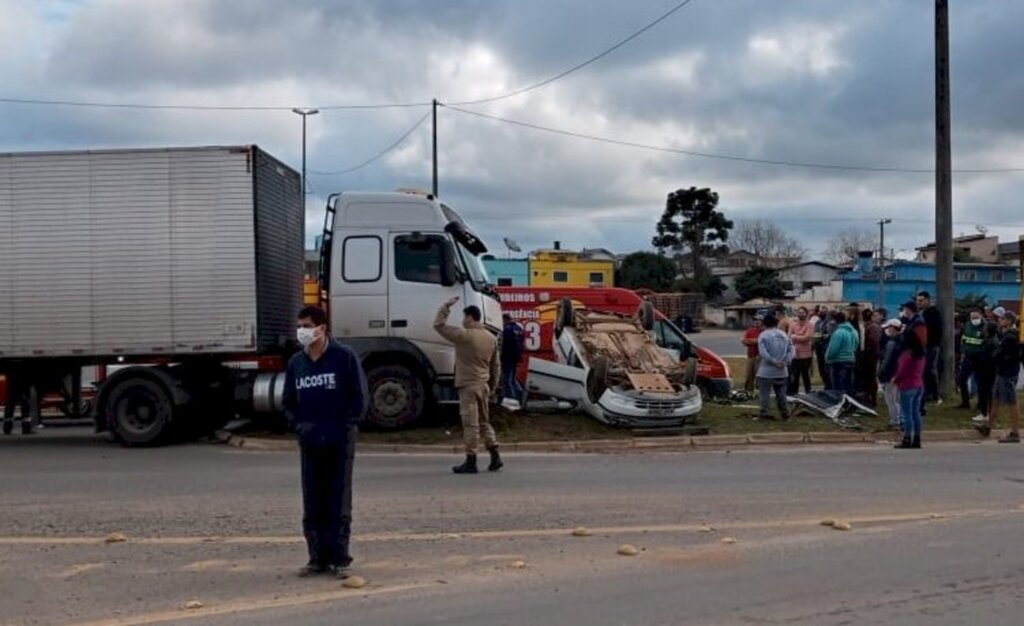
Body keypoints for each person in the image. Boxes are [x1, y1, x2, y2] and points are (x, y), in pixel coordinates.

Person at [283, 306, 368, 579]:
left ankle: (339, 559)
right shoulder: (297, 363)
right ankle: (316, 558)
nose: (302, 331)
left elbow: (359, 397)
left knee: (338, 500)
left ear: (322, 328)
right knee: (313, 501)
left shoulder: (343, 357)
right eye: (299, 326)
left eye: (307, 325)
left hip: (339, 440)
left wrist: (346, 427)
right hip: (310, 442)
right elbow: (288, 402)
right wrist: (300, 427)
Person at [434, 297, 502, 474]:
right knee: (485, 422)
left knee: (470, 424)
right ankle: (495, 455)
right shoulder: (491, 338)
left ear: (470, 317)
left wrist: (446, 306)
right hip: (484, 385)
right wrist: (493, 386)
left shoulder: (464, 335)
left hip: (468, 386)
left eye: (464, 317)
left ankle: (471, 460)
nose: (463, 321)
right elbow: (496, 366)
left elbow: (439, 325)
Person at [980, 311, 1021, 443]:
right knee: (996, 400)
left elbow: (1004, 354)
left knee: (1012, 403)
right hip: (1002, 372)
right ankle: (988, 426)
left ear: (1009, 321)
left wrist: (997, 355)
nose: (999, 321)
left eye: (1002, 319)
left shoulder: (1010, 337)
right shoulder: (1005, 335)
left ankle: (1015, 432)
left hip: (1007, 373)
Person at [893, 315, 927, 449]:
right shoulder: (921, 354)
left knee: (907, 414)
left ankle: (907, 438)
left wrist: (896, 380)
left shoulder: (907, 354)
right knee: (916, 412)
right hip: (919, 384)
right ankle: (917, 438)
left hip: (907, 385)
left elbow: (902, 371)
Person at [756, 314, 794, 420]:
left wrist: (774, 361)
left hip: (766, 371)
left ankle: (764, 413)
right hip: (782, 371)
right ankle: (785, 413)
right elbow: (791, 349)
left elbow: (763, 353)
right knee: (781, 394)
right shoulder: (784, 334)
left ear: (764, 323)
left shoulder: (763, 335)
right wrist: (786, 361)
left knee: (764, 394)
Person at [917, 291, 942, 403]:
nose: (919, 303)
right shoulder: (921, 313)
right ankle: (926, 393)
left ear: (927, 300)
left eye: (921, 300)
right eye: (918, 301)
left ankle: (934, 394)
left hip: (931, 345)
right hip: (922, 345)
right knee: (923, 370)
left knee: (930, 369)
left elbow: (936, 330)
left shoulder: (933, 313)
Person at [878, 319, 904, 430]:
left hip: (891, 376)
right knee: (896, 399)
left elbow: (886, 361)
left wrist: (880, 373)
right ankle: (899, 420)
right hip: (898, 375)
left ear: (893, 328)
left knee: (891, 400)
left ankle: (896, 421)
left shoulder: (892, 343)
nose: (886, 330)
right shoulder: (902, 342)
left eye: (888, 327)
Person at [959, 308, 986, 413]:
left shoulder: (985, 327)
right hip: (968, 356)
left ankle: (981, 404)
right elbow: (964, 339)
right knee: (962, 379)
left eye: (976, 317)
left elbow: (987, 343)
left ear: (981, 316)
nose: (974, 319)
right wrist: (963, 351)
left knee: (980, 382)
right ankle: (965, 402)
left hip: (980, 358)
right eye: (972, 317)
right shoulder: (967, 325)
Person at [826, 311, 858, 395]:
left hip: (839, 361)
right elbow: (856, 344)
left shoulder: (838, 333)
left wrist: (828, 357)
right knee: (849, 383)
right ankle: (849, 402)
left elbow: (834, 348)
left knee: (838, 385)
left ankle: (839, 402)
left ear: (836, 321)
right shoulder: (853, 331)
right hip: (851, 359)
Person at [500, 313, 525, 406]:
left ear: (505, 320)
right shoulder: (519, 329)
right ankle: (520, 395)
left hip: (507, 357)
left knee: (507, 380)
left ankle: (511, 401)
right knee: (513, 379)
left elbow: (504, 345)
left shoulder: (507, 329)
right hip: (516, 357)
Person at [788, 307, 814, 394]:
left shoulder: (810, 325)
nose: (800, 314)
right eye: (799, 312)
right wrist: (800, 336)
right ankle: (794, 393)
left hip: (806, 355)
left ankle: (808, 392)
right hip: (795, 355)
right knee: (795, 375)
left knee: (805, 375)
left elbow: (807, 338)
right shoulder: (792, 324)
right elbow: (789, 337)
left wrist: (795, 336)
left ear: (806, 314)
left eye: (802, 312)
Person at [860, 308, 882, 407]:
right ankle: (870, 398)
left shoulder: (870, 327)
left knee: (869, 378)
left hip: (870, 357)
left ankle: (871, 399)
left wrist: (865, 353)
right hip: (872, 356)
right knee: (870, 378)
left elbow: (872, 343)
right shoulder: (873, 326)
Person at [741, 316, 764, 394]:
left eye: (758, 320)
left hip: (760, 357)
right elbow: (743, 341)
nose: (756, 321)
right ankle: (748, 391)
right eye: (755, 320)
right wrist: (754, 341)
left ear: (762, 321)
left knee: (759, 375)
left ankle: (759, 392)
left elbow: (760, 341)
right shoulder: (749, 330)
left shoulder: (763, 331)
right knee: (749, 375)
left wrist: (750, 341)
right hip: (750, 356)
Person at [813, 306, 833, 389]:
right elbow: (815, 334)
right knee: (821, 368)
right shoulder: (817, 322)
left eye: (823, 312)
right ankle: (825, 384)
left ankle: (829, 386)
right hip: (818, 347)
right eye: (820, 312)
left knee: (827, 368)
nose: (821, 313)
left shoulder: (830, 322)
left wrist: (824, 336)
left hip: (826, 347)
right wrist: (819, 337)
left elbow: (829, 335)